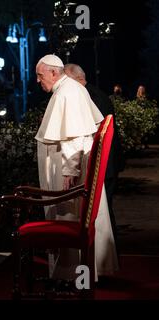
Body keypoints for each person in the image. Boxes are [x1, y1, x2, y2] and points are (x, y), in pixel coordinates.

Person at [35, 55, 118, 281]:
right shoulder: (70, 89)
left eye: (40, 75)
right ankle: (88, 270)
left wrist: (69, 172)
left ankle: (71, 273)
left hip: (68, 172)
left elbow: (75, 136)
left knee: (69, 217)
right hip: (69, 167)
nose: (37, 80)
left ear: (53, 72)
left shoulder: (67, 92)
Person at [64, 64, 125, 256]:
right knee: (102, 212)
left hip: (103, 165)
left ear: (75, 79)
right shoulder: (93, 94)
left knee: (101, 213)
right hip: (106, 163)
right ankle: (105, 255)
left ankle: (104, 256)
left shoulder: (90, 97)